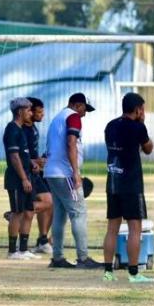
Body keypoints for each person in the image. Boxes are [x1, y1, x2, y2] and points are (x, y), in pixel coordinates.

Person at [44, 93, 103, 269]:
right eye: (85, 109)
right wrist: (76, 172)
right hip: (66, 173)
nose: (85, 114)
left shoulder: (57, 118)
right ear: (77, 105)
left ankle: (57, 257)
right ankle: (83, 258)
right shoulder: (73, 117)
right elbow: (71, 143)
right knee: (79, 213)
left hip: (52, 172)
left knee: (60, 216)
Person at [102, 93, 154, 283]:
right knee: (135, 229)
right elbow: (148, 148)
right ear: (138, 109)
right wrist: (141, 125)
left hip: (113, 182)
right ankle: (133, 273)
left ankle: (108, 272)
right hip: (131, 184)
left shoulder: (110, 125)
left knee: (112, 229)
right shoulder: (138, 127)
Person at [4, 98, 50, 260]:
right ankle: (12, 250)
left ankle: (23, 249)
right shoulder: (12, 130)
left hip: (28, 176)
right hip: (17, 179)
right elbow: (14, 157)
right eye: (29, 110)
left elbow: (24, 156)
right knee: (17, 213)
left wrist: (32, 164)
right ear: (20, 112)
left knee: (29, 211)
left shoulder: (21, 129)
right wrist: (24, 178)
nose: (31, 113)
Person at [24, 97, 53, 255]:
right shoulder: (21, 130)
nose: (42, 115)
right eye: (39, 112)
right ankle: (18, 214)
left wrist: (40, 161)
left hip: (36, 171)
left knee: (49, 203)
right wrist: (34, 161)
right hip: (28, 173)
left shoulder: (33, 127)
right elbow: (18, 155)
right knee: (48, 201)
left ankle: (43, 239)